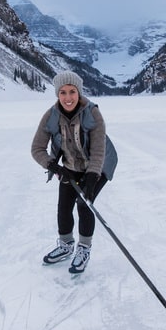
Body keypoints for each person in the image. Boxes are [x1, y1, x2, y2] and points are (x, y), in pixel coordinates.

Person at [31, 71, 116, 274]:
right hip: (69, 166)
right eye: (62, 92)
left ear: (79, 92)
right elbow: (36, 149)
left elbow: (98, 150)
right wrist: (54, 166)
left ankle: (84, 248)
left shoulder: (92, 113)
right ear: (57, 94)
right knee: (64, 206)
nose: (68, 97)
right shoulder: (51, 116)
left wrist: (92, 177)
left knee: (84, 204)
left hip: (100, 164)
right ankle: (66, 245)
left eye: (72, 92)